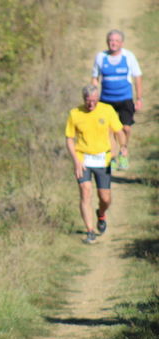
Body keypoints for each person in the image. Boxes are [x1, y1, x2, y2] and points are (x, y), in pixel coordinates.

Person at [65, 84, 126, 244]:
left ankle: (101, 214)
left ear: (98, 99)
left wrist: (123, 147)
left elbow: (119, 131)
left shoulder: (107, 110)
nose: (91, 104)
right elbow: (69, 138)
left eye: (94, 101)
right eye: (88, 101)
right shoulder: (75, 113)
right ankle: (90, 231)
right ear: (83, 99)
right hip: (82, 159)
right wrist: (76, 161)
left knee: (105, 198)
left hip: (102, 159)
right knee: (85, 192)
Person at [91, 29, 143, 170]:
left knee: (125, 128)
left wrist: (139, 98)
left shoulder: (128, 56)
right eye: (111, 40)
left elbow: (137, 76)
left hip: (125, 98)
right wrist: (93, 96)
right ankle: (112, 157)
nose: (113, 43)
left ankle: (123, 152)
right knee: (109, 130)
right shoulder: (101, 57)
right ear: (107, 42)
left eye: (116, 41)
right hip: (106, 100)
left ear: (122, 43)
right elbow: (95, 78)